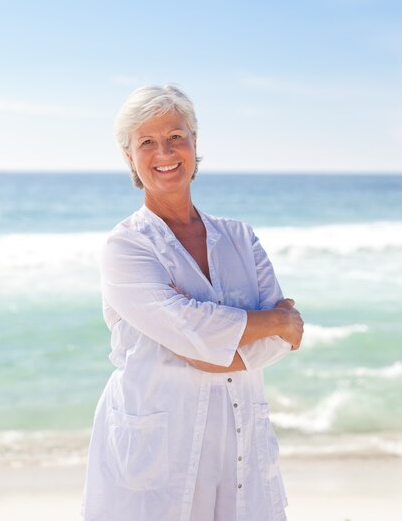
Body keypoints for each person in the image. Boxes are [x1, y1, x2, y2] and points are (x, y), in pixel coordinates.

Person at [81, 85, 304, 521]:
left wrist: (215, 345)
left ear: (195, 143)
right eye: (147, 142)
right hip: (159, 452)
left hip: (241, 443)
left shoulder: (241, 237)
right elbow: (195, 330)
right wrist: (276, 318)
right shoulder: (126, 247)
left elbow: (268, 346)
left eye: (176, 137)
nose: (164, 151)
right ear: (130, 157)